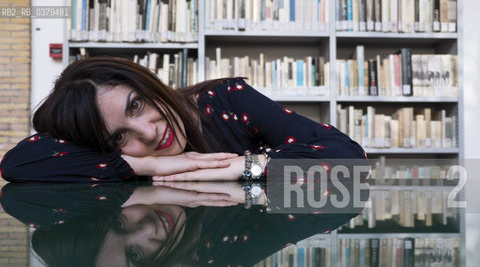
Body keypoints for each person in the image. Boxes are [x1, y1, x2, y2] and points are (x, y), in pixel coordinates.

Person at [0, 56, 368, 183]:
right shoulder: (121, 158)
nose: (147, 132)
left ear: (147, 83)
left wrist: (240, 166)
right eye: (118, 138)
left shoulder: (226, 100)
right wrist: (148, 165)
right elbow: (18, 163)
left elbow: (349, 162)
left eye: (136, 105)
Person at [1, 181, 363, 267]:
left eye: (116, 221)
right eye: (136, 255)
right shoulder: (225, 251)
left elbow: (15, 185)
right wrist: (230, 179)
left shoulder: (141, 145)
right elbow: (345, 189)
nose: (150, 231)